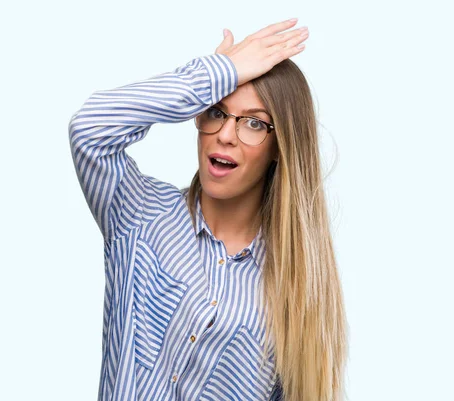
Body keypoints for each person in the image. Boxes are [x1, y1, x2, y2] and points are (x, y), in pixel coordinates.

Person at [68, 18, 348, 401]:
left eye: (253, 122)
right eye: (215, 111)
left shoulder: (296, 283)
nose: (226, 134)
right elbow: (90, 128)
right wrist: (218, 74)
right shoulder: (139, 213)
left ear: (280, 147)